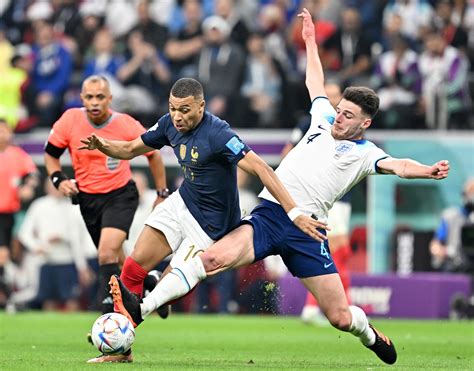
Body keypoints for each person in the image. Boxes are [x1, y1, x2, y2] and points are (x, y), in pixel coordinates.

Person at [110, 9, 451, 366]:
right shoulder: (323, 118)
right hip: (270, 215)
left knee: (339, 317)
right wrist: (309, 41)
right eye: (340, 109)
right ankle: (141, 310)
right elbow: (314, 83)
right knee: (209, 258)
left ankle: (369, 333)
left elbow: (399, 166)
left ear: (364, 123)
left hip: (307, 231)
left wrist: (427, 170)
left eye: (348, 115)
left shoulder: (366, 154)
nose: (339, 117)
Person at [79, 77, 324, 363]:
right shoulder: (169, 124)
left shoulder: (219, 134)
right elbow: (131, 149)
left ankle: (152, 296)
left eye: (184, 110)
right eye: (172, 108)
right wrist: (103, 145)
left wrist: (294, 212)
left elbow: (262, 169)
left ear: (201, 106)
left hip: (211, 227)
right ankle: (122, 350)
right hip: (182, 203)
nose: (177, 116)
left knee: (170, 290)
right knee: (133, 267)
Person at [44, 75, 167, 320]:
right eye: (89, 97)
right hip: (88, 200)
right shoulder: (69, 120)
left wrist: (162, 193)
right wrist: (59, 180)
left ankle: (109, 320)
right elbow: (51, 154)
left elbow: (154, 155)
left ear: (110, 99)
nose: (95, 102)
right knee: (119, 264)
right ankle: (153, 286)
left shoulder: (125, 124)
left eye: (100, 97)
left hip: (120, 195)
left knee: (106, 255)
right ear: (81, 99)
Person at [18, 178, 94, 312]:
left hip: (68, 263)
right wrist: (37, 247)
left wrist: (82, 267)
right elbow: (24, 233)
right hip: (46, 262)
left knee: (71, 300)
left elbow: (78, 240)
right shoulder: (39, 205)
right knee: (48, 301)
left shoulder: (73, 207)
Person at [0, 118, 38, 309]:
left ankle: (8, 299)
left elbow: (32, 175)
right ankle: (8, 299)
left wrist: (28, 187)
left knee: (4, 255)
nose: (2, 134)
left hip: (6, 214)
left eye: (4, 130)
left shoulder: (18, 155)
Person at [430, 178, 474, 272]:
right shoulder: (450, 216)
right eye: (470, 193)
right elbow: (435, 245)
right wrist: (446, 252)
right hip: (454, 266)